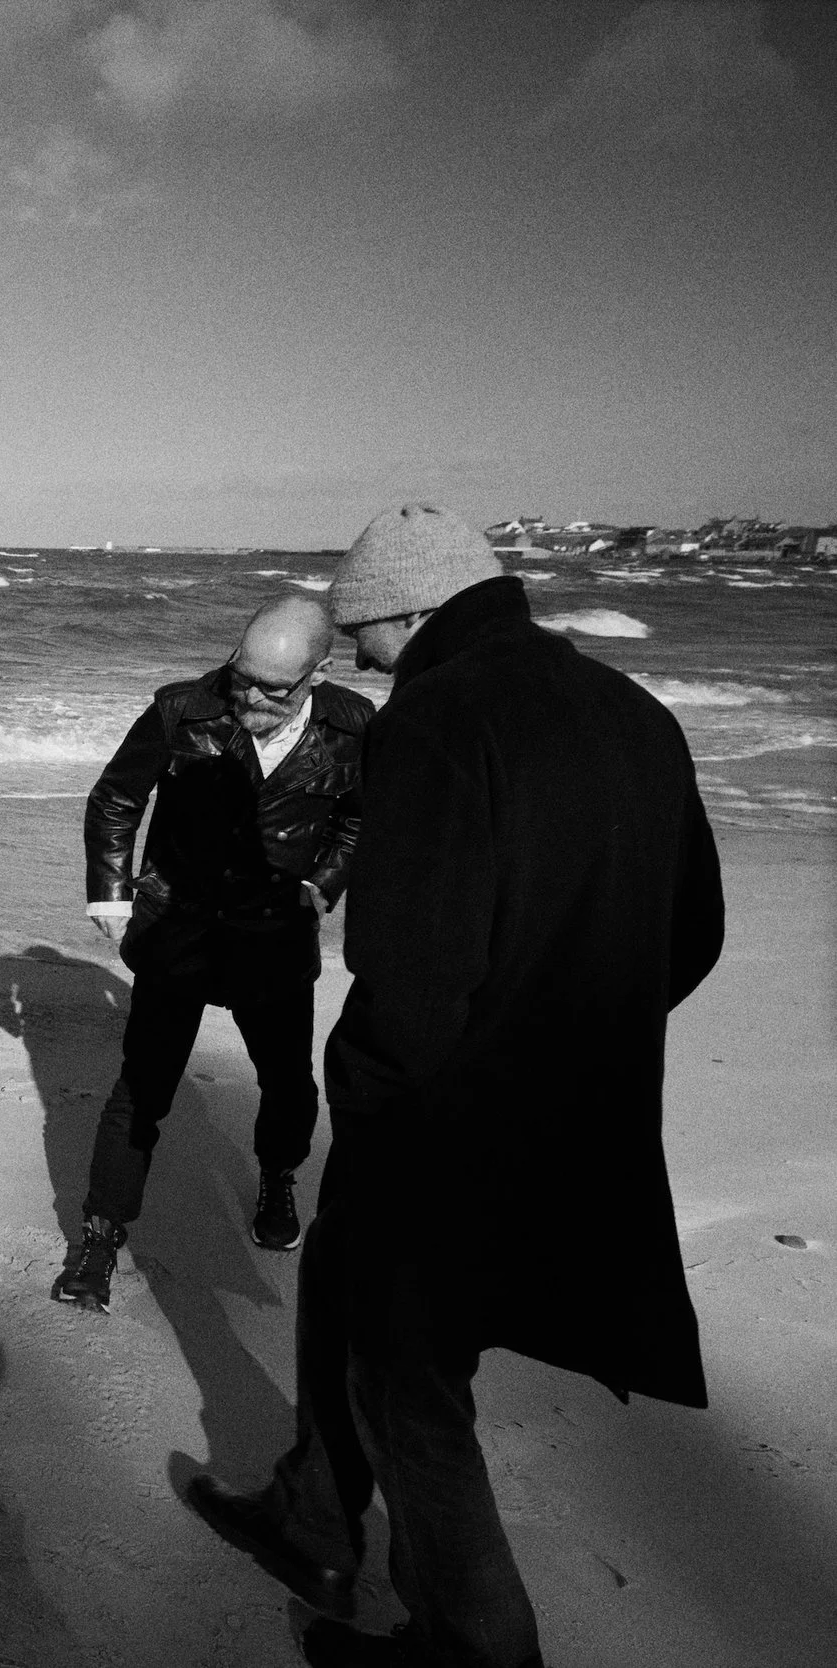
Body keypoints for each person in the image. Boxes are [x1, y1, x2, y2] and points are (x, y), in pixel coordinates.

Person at [183, 504, 724, 1667]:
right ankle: (312, 1518)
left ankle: (476, 1643)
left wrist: (370, 1098)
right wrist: (574, 1030)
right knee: (341, 1278)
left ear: (412, 611)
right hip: (586, 1106)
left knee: (407, 1375)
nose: (359, 657)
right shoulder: (637, 713)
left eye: (365, 630)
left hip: (444, 1114)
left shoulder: (432, 717)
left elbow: (412, 969)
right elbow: (694, 932)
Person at [54, 594, 372, 1313]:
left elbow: (358, 818)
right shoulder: (181, 710)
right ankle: (100, 1234)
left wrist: (324, 884)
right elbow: (116, 798)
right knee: (141, 1091)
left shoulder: (354, 729)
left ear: (318, 673)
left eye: (276, 687)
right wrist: (111, 892)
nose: (252, 696)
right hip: (180, 930)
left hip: (275, 937)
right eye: (243, 675)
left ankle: (277, 1175)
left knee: (288, 1084)